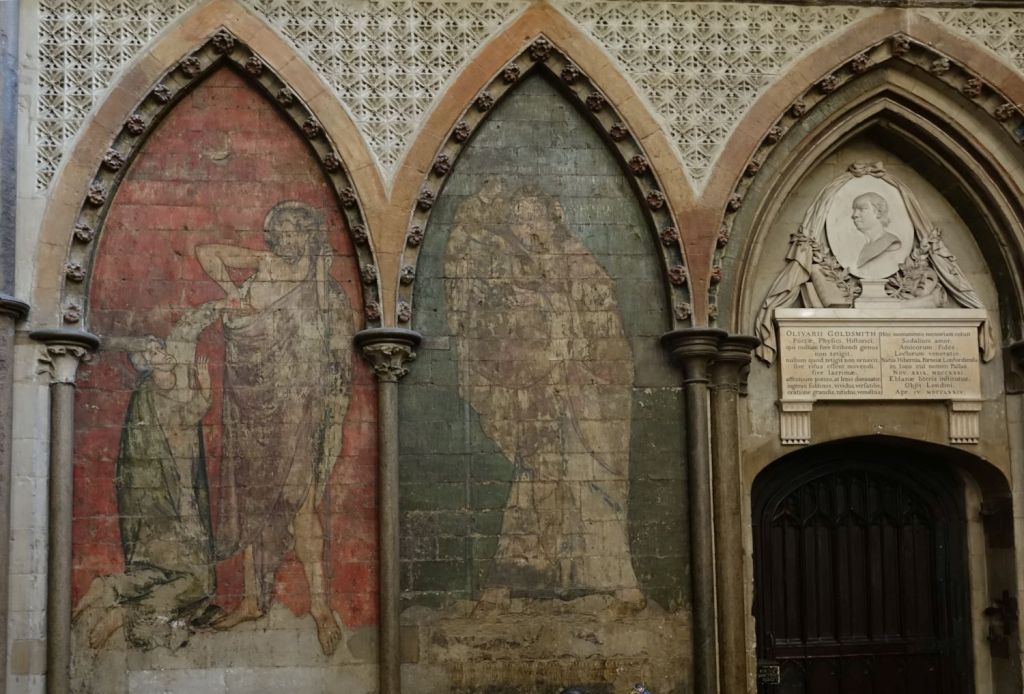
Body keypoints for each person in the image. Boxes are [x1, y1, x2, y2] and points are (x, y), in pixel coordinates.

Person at [445, 183, 640, 599]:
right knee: (537, 479)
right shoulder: (514, 272)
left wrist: (557, 315)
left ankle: (605, 581)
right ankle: (528, 574)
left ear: (554, 219)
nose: (526, 227)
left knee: (588, 481)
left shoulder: (579, 263)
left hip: (582, 397)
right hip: (540, 401)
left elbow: (604, 336)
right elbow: (500, 337)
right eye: (518, 219)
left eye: (533, 216)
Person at [195, 200, 352, 655]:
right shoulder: (263, 265)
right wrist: (234, 295)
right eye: (278, 229)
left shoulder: (325, 289)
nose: (284, 237)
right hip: (251, 409)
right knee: (251, 506)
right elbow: (207, 252)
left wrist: (319, 278)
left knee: (301, 502)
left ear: (310, 236)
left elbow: (337, 351)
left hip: (299, 411)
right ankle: (250, 600)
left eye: (294, 230)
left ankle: (320, 605)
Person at [73, 305, 220, 650]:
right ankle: (128, 615)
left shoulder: (156, 390)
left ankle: (108, 588)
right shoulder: (152, 394)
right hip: (170, 506)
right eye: (153, 352)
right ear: (147, 364)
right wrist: (206, 390)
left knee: (159, 573)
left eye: (160, 348)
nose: (162, 353)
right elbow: (183, 418)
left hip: (165, 505)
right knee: (201, 582)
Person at [851, 192, 902, 276]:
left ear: (879, 212)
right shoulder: (864, 246)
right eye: (854, 210)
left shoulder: (891, 242)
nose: (854, 215)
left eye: (862, 209)